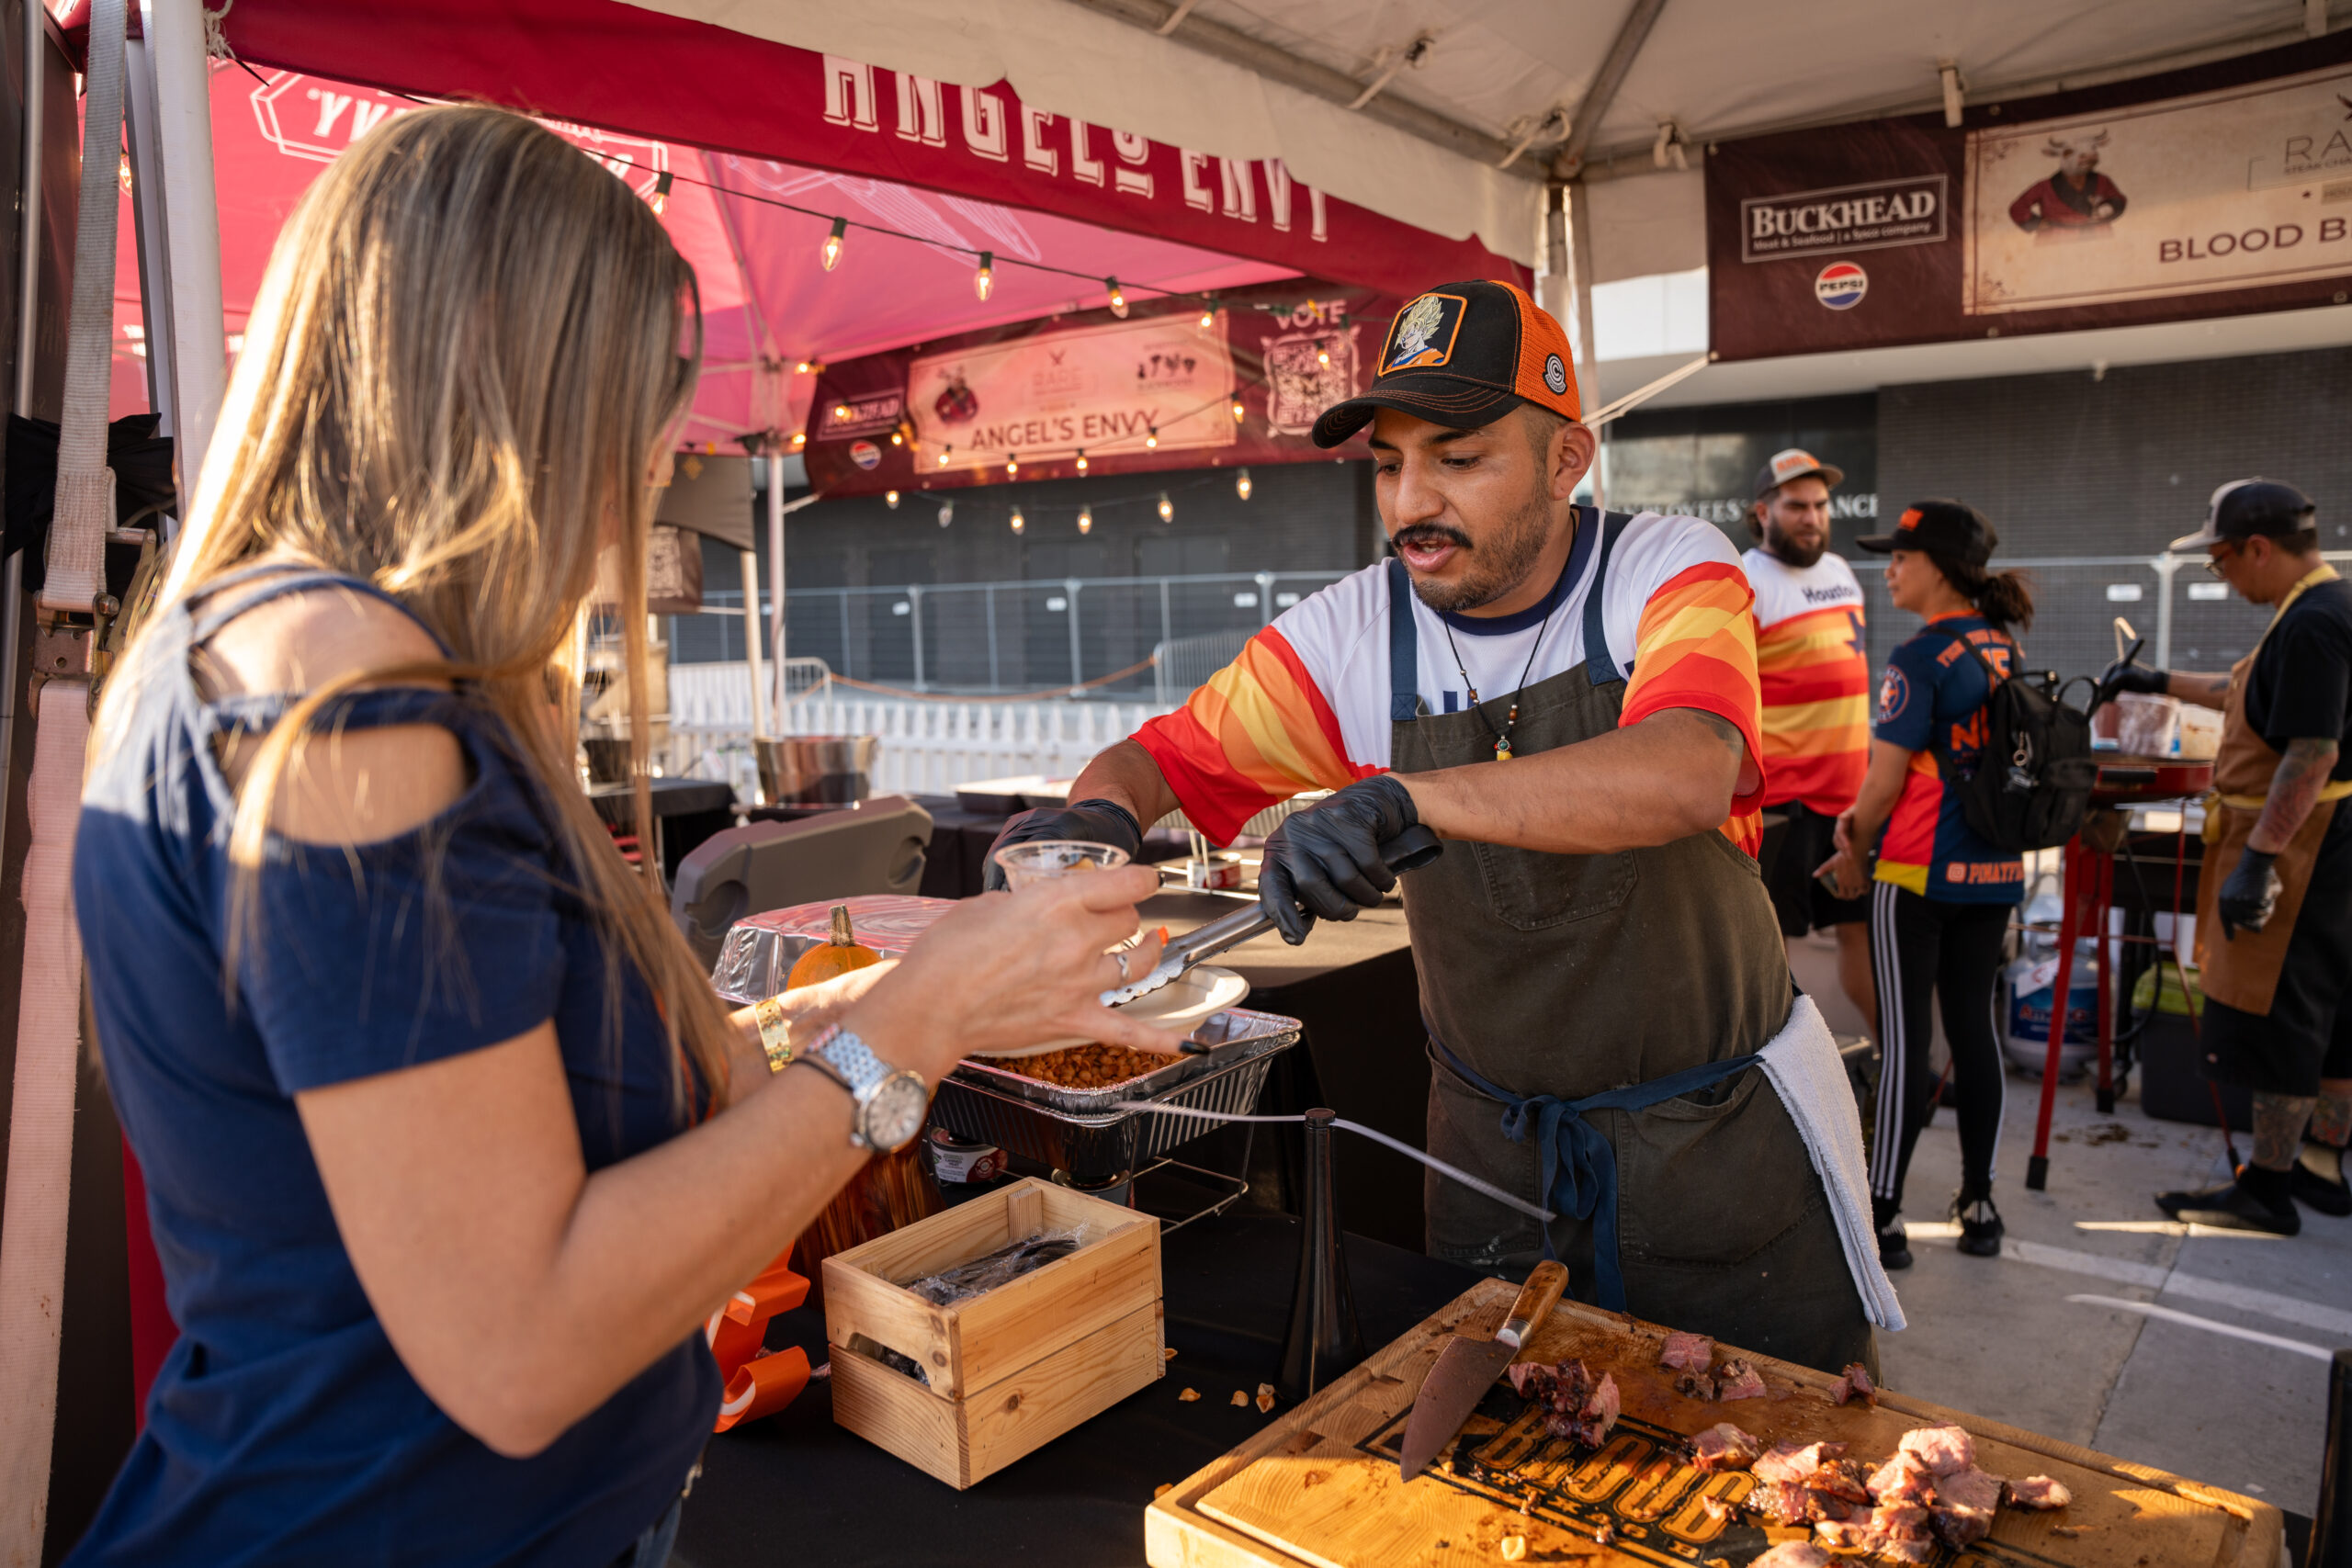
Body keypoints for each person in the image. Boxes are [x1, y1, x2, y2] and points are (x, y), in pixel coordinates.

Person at [69, 107, 1177, 1566]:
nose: (660, 458)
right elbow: (518, 1346)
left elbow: (595, 1076)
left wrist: (919, 994)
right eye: (639, 399)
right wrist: (908, 1028)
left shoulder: (315, 659)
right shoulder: (343, 704)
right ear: (503, 376)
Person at [993, 280, 1894, 1375]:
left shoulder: (1663, 567)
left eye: (1459, 459)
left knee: (1769, 1443)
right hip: (1490, 1161)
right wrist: (1097, 817)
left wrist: (1405, 797)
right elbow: (1161, 761)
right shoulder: (1353, 632)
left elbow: (1688, 769)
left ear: (1567, 460)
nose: (1410, 502)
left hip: (1710, 1143)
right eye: (1387, 465)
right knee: (1502, 1453)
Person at [2102, 479, 2352, 1235]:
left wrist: (2261, 859)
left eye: (2220, 561)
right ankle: (2320, 1167)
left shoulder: (2312, 624)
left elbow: (2311, 750)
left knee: (2283, 1011)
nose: (2223, 576)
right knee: (2332, 1009)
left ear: (2259, 548)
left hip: (2302, 844)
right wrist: (2155, 680)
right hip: (2323, 837)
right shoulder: (2320, 607)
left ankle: (2267, 1189)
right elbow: (2244, 691)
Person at [1818, 502, 2031, 1269]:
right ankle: (1981, 1203)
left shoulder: (1918, 657)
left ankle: (1881, 1214)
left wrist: (1853, 841)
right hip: (1995, 871)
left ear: (1938, 567)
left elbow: (1882, 784)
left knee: (1907, 1042)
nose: (1891, 570)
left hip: (1914, 872)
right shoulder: (2003, 646)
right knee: (1974, 1031)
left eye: (1902, 557)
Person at [1744, 448, 1876, 1030]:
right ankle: (1784, 1067)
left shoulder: (1841, 571)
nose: (1812, 518)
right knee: (1776, 946)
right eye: (1797, 506)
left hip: (1851, 801)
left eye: (1821, 506)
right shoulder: (1745, 579)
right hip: (1785, 804)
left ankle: (1897, 1060)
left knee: (1858, 932)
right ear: (1763, 512)